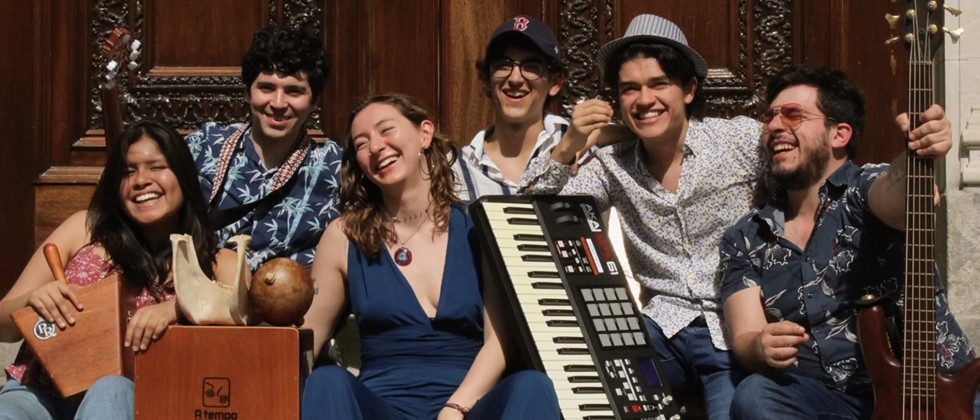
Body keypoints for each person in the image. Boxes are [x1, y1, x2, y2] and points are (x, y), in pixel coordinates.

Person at [518, 14, 954, 419]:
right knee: (581, 382)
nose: (644, 99)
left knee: (742, 407)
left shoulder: (742, 139)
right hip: (660, 328)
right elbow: (532, 217)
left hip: (730, 332)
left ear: (688, 90)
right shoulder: (610, 164)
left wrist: (913, 169)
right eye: (629, 89)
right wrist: (566, 145)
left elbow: (829, 168)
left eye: (658, 84)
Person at [720, 65, 978, 419]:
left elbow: (899, 197)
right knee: (754, 395)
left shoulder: (861, 189)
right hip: (831, 402)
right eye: (771, 116)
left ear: (839, 134)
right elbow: (746, 332)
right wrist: (759, 345)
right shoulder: (746, 236)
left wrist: (917, 156)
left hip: (934, 395)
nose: (774, 126)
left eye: (793, 115)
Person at [300, 94, 559, 419]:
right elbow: (304, 343)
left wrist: (455, 407)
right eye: (361, 143)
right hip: (381, 409)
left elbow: (501, 341)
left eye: (386, 130)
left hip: (467, 409)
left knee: (532, 385)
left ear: (424, 134)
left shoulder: (478, 227)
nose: (376, 147)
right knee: (326, 380)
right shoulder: (343, 236)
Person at [0, 120, 240, 419]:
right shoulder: (83, 229)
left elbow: (243, 311)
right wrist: (32, 300)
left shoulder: (217, 262)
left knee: (110, 390)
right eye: (128, 172)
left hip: (135, 402)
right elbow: (2, 327)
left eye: (156, 167)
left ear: (183, 176)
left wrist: (179, 308)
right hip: (39, 395)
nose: (141, 180)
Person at [185, 25, 342, 271]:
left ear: (315, 101)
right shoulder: (206, 145)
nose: (278, 103)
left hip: (290, 303)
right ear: (247, 92)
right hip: (200, 299)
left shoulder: (334, 166)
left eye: (294, 91)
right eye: (266, 88)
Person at [452, 15, 567, 202]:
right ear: (486, 81)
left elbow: (630, 137)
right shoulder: (458, 172)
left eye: (532, 67)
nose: (515, 79)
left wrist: (595, 135)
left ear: (555, 83)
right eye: (503, 65)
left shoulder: (582, 147)